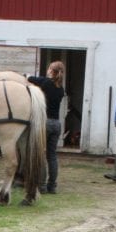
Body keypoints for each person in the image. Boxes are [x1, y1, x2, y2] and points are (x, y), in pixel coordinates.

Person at [27, 60, 66, 194]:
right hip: (56, 124)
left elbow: (31, 79)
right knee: (52, 156)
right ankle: (52, 186)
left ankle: (42, 186)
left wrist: (25, 76)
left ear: (51, 71)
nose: (47, 70)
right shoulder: (61, 89)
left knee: (41, 155)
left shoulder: (46, 83)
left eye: (49, 68)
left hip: (45, 123)